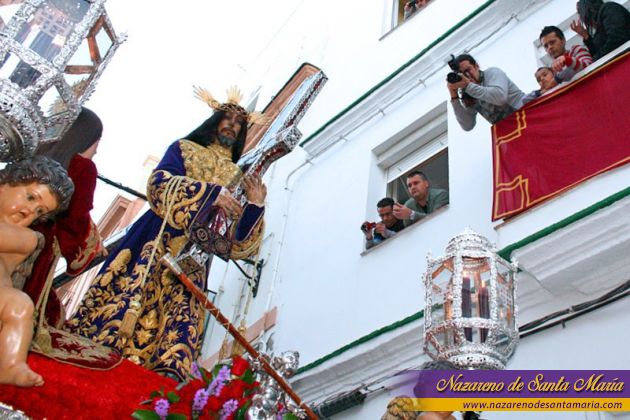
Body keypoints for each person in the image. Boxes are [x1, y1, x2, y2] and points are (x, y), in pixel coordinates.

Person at [67, 87, 268, 381]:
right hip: (155, 238)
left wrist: (254, 204)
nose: (232, 126)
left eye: (239, 123)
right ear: (214, 122)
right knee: (122, 308)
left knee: (177, 328)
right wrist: (209, 194)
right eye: (226, 119)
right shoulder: (184, 149)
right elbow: (159, 184)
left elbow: (237, 244)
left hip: (193, 259)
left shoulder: (239, 174)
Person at [24, 108, 105, 329]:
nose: (97, 150)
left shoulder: (35, 151)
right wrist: (90, 247)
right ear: (84, 138)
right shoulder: (83, 168)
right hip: (40, 246)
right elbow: (76, 218)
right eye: (97, 142)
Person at [0, 156, 73, 387]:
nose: (29, 211)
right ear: (4, 185)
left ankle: (10, 365)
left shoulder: (27, 238)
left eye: (39, 211)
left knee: (20, 305)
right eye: (30, 197)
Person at [447, 54, 525, 131]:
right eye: (462, 74)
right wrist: (454, 96)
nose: (467, 76)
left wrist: (469, 86)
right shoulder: (468, 93)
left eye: (468, 70)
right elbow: (467, 125)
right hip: (509, 132)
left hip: (526, 116)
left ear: (476, 65)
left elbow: (500, 98)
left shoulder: (492, 72)